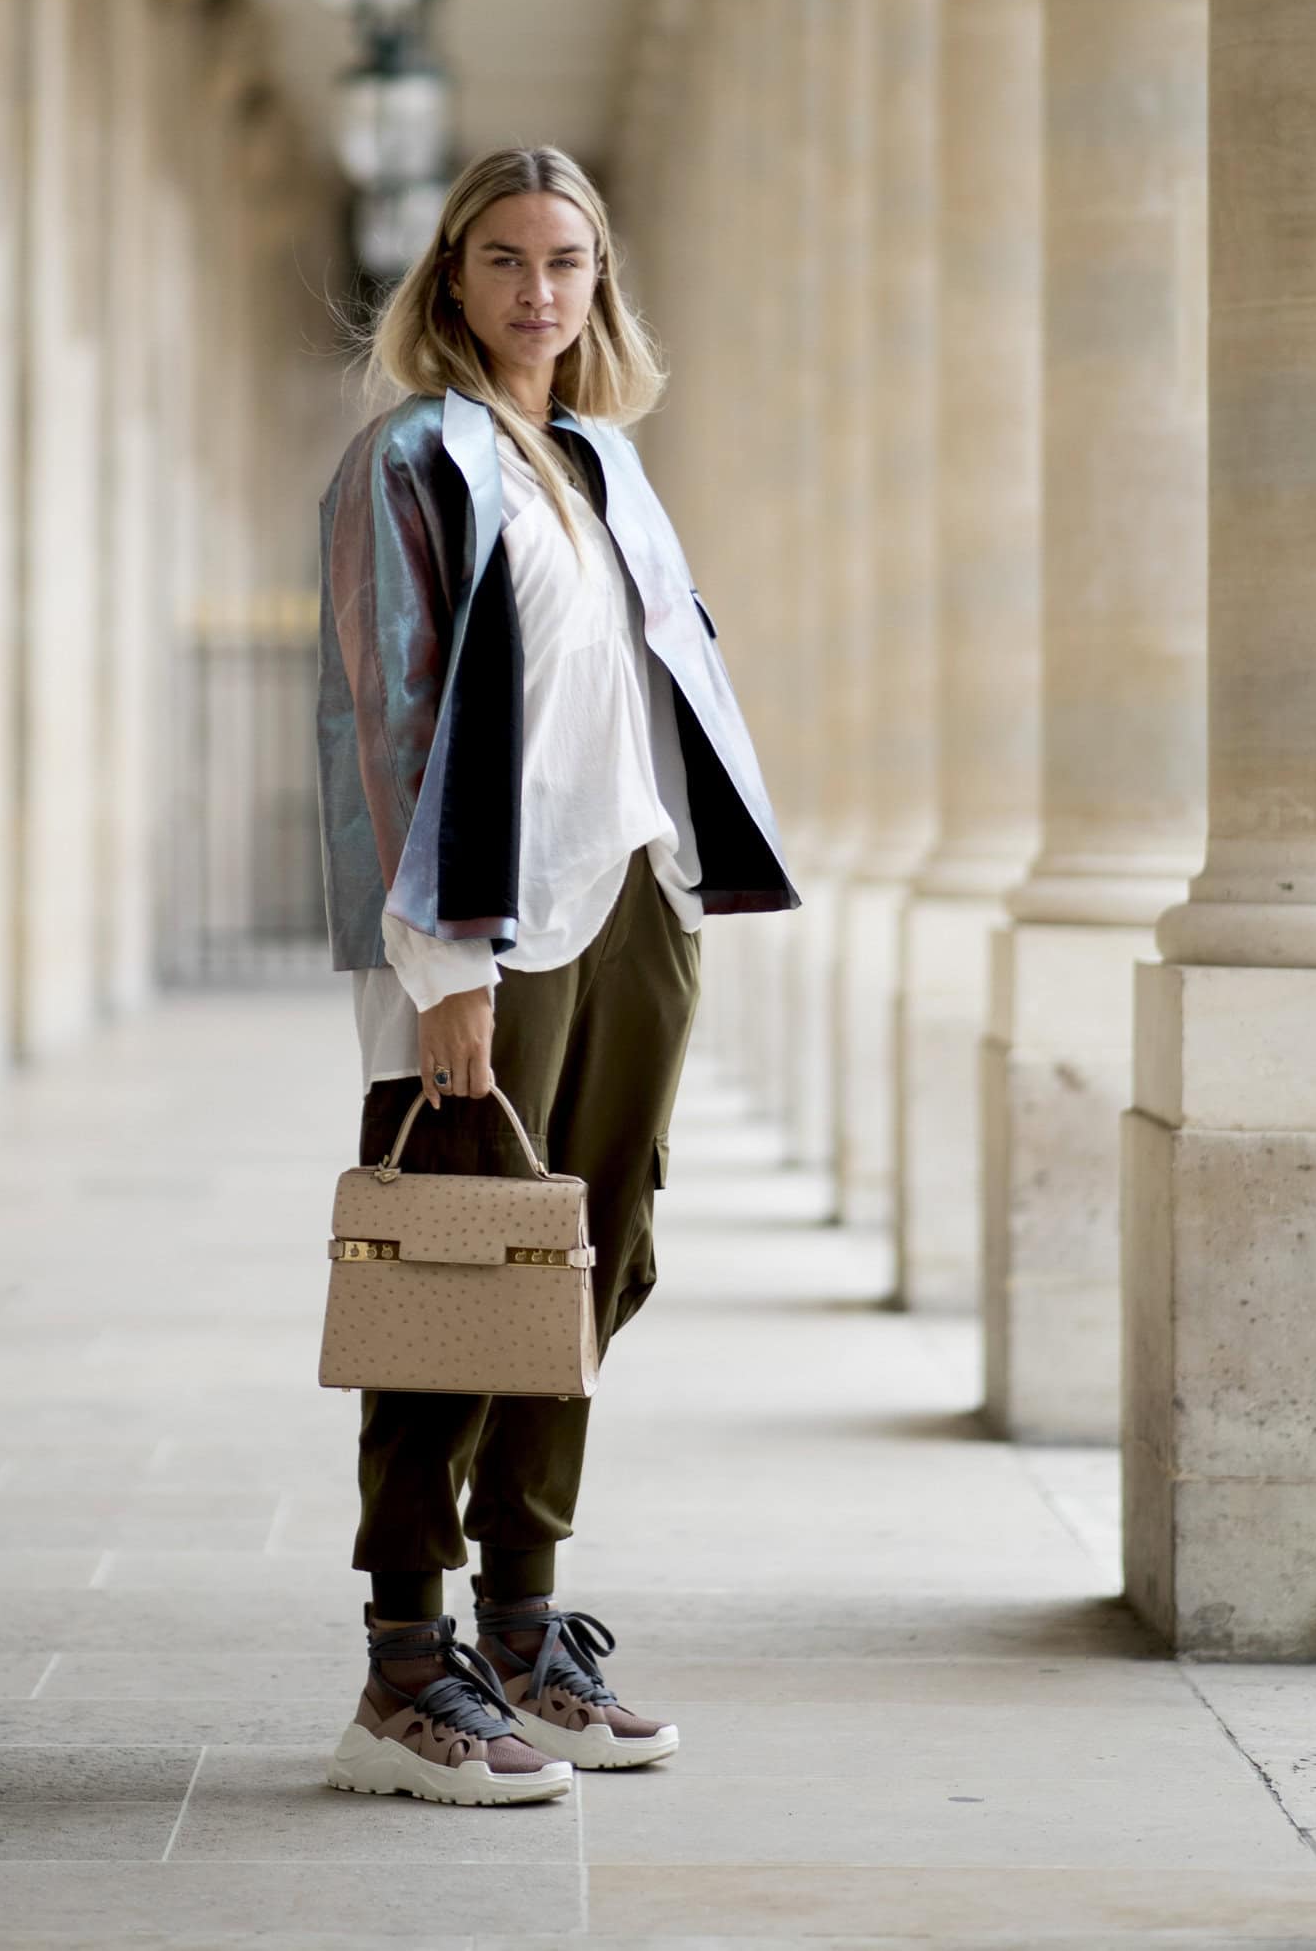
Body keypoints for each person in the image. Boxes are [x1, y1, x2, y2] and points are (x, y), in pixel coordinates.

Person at [315, 145, 797, 1806]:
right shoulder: (416, 462)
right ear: (451, 278)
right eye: (507, 260)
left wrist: (693, 855)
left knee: (594, 1258)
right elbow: (391, 718)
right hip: (491, 923)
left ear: (600, 287)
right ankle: (403, 1662)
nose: (538, 292)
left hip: (637, 894)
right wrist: (445, 960)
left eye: (568, 263)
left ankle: (521, 1625)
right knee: (454, 1262)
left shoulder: (600, 460)